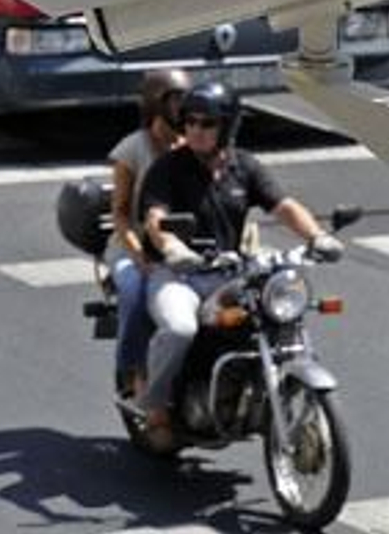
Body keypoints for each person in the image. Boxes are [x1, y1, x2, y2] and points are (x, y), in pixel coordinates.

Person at [134, 81, 343, 440]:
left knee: (278, 317)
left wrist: (317, 237)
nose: (197, 130)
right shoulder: (168, 167)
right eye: (191, 122)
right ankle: (155, 407)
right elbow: (155, 217)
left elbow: (284, 205)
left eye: (208, 123)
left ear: (227, 126)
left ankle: (256, 394)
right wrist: (172, 248)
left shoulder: (244, 167)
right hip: (178, 274)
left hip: (231, 270)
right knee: (181, 329)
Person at [105, 68, 190, 400]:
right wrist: (138, 255)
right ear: (157, 105)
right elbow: (121, 213)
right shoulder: (132, 149)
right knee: (134, 290)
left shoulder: (191, 146)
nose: (183, 111)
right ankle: (129, 366)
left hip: (178, 245)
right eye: (176, 102)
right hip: (131, 246)